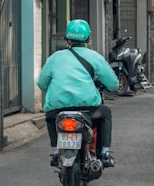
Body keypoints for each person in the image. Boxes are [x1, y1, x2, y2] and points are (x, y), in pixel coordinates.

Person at [37, 19, 120, 168]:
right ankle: (105, 153)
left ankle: (56, 151)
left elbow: (42, 84)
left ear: (67, 38)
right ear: (88, 38)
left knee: (50, 116)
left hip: (58, 109)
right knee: (105, 113)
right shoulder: (94, 57)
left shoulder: (55, 57)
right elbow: (113, 84)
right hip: (88, 109)